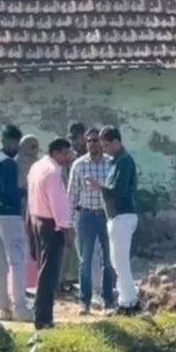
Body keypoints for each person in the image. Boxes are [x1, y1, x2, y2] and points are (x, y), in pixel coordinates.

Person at [87, 126, 139, 316]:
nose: (104, 149)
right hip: (117, 216)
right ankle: (129, 299)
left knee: (120, 261)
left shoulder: (124, 162)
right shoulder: (118, 162)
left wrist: (99, 187)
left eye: (106, 145)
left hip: (122, 215)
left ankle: (128, 303)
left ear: (117, 141)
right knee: (116, 261)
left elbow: (119, 190)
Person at [0, 124, 34, 322]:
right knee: (17, 262)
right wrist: (27, 192)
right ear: (10, 141)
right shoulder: (9, 163)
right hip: (11, 215)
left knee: (1, 263)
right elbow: (12, 192)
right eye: (16, 143)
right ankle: (21, 307)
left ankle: (4, 307)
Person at [67, 128, 115, 315]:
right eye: (89, 141)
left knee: (109, 260)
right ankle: (84, 302)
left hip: (105, 215)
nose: (92, 144)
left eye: (96, 140)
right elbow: (72, 196)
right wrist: (69, 222)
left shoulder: (111, 164)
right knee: (85, 260)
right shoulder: (79, 165)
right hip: (85, 216)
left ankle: (108, 299)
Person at [27, 138, 73, 329]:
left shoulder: (37, 166)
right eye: (64, 153)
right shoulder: (54, 172)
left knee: (44, 271)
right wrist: (67, 229)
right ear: (55, 152)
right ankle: (43, 318)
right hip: (51, 224)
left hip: (37, 218)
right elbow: (58, 203)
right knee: (49, 273)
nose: (67, 157)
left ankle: (40, 313)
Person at [58, 122, 86, 291]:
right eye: (73, 139)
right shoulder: (70, 159)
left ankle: (74, 278)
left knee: (81, 247)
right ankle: (61, 281)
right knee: (68, 245)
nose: (76, 143)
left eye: (77, 138)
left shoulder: (91, 154)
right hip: (70, 205)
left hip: (86, 205)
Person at [16, 135, 41, 291]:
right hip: (26, 204)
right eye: (34, 146)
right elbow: (24, 184)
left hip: (29, 203)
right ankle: (27, 282)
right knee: (28, 242)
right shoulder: (24, 162)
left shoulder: (30, 162)